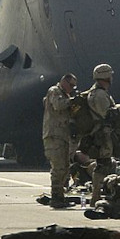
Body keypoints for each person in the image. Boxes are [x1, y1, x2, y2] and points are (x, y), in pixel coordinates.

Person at [42, 73, 77, 208]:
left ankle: (60, 196)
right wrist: (73, 101)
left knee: (65, 168)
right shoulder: (54, 91)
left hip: (62, 136)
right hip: (53, 136)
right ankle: (56, 198)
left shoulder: (65, 95)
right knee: (58, 168)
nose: (72, 88)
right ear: (64, 81)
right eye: (71, 85)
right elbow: (58, 105)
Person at [86, 64, 118, 205]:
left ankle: (98, 195)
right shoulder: (99, 95)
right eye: (109, 75)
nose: (111, 77)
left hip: (102, 133)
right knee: (103, 165)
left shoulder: (98, 92)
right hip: (102, 135)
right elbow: (106, 114)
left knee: (105, 164)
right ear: (105, 76)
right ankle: (96, 197)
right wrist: (118, 110)